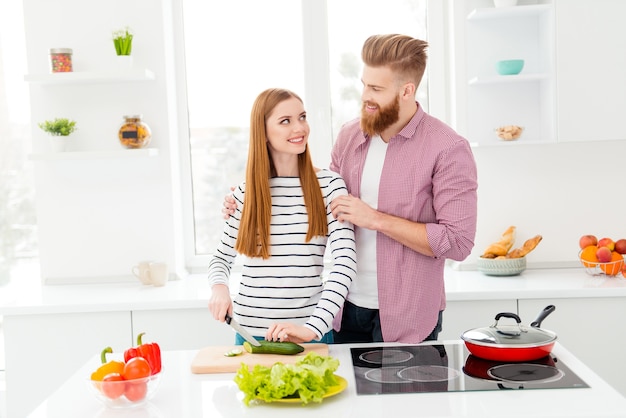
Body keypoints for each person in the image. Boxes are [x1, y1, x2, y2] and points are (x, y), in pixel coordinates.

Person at [223, 34, 477, 344]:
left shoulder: (448, 148)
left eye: (376, 89)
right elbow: (320, 200)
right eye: (364, 84)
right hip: (343, 312)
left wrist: (376, 219)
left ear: (407, 91)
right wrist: (253, 193)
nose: (365, 96)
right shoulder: (349, 137)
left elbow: (458, 242)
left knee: (410, 393)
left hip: (407, 313)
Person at [208, 88, 357, 345]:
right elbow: (221, 259)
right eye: (285, 121)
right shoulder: (245, 193)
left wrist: (313, 327)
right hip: (250, 336)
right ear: (263, 133)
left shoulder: (330, 187)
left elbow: (345, 264)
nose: (299, 128)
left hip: (310, 334)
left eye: (302, 117)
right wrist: (220, 289)